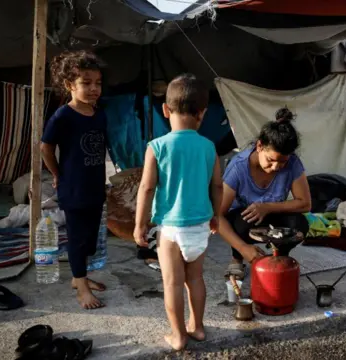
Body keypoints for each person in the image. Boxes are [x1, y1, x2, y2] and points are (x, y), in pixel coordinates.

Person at [133, 74, 222, 350]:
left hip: (170, 228)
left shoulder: (157, 147)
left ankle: (178, 335)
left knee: (172, 283)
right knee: (195, 278)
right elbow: (217, 185)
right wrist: (216, 215)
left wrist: (139, 225)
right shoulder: (209, 147)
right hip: (200, 226)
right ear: (202, 113)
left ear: (165, 110)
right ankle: (197, 327)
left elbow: (146, 188)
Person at [40, 51, 108, 310]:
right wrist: (58, 175)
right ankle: (81, 287)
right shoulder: (63, 117)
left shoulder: (99, 114)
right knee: (78, 238)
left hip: (95, 186)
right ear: (70, 85)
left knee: (91, 239)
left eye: (98, 83)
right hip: (74, 188)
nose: (94, 89)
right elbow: (45, 148)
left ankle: (79, 277)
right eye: (86, 83)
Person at [219, 107, 311, 280]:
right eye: (271, 160)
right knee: (243, 220)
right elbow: (217, 216)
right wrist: (242, 247)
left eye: (283, 162)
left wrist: (267, 207)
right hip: (243, 221)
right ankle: (237, 258)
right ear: (259, 146)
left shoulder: (293, 163)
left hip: (272, 215)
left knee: (299, 223)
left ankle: (279, 256)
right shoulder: (238, 167)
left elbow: (305, 203)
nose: (276, 167)